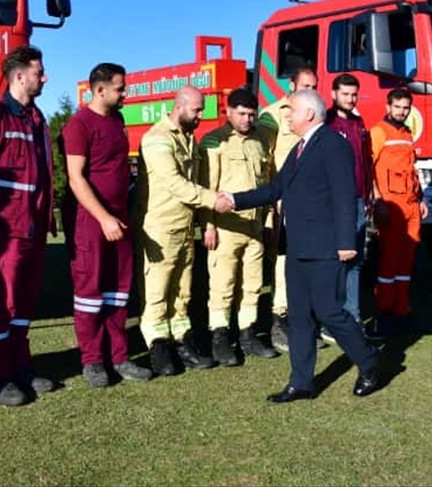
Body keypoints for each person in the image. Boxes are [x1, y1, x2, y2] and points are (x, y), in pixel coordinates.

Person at [222, 89, 381, 402]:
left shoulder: (333, 144)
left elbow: (344, 193)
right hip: (297, 247)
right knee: (298, 318)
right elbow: (275, 189)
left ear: (309, 113)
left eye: (291, 110)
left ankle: (369, 360)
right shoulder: (300, 147)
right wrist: (234, 199)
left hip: (325, 247)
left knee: (329, 312)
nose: (286, 116)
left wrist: (346, 242)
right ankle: (302, 382)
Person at [0, 45, 57, 406]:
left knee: (24, 302)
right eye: (39, 72)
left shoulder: (37, 118)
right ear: (19, 76)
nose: (45, 78)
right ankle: (0, 376)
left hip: (33, 227)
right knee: (1, 304)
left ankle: (22, 367)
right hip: (4, 230)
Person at [61, 63, 153, 387]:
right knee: (90, 292)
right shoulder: (79, 125)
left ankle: (120, 357)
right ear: (100, 90)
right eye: (120, 88)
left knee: (118, 291)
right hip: (92, 221)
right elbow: (75, 178)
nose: (125, 93)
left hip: (120, 218)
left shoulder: (118, 120)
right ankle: (93, 361)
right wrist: (103, 218)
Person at [134, 86, 219, 375]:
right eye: (196, 110)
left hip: (183, 228)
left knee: (182, 292)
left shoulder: (188, 139)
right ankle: (158, 347)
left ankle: (182, 342)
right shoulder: (157, 138)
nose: (200, 116)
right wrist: (214, 199)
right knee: (157, 291)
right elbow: (175, 183)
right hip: (161, 228)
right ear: (179, 107)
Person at [199, 87, 279, 365]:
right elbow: (207, 188)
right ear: (229, 112)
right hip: (226, 228)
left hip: (254, 227)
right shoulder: (215, 142)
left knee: (252, 284)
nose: (247, 119)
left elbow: (266, 185)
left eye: (252, 114)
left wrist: (267, 221)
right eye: (242, 114)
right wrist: (208, 226)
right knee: (223, 284)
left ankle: (248, 335)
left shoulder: (260, 141)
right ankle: (220, 337)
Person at [257, 67, 318, 352]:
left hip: (311, 204)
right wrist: (269, 209)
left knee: (307, 264)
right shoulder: (271, 116)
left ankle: (301, 320)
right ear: (291, 84)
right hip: (283, 205)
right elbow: (263, 161)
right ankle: (278, 321)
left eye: (314, 86)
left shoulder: (315, 114)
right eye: (305, 85)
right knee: (283, 265)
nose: (310, 91)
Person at [368, 88, 427, 337]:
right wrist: (378, 200)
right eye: (398, 107)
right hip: (391, 206)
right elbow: (368, 167)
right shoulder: (379, 132)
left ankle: (402, 311)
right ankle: (383, 315)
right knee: (389, 261)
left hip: (411, 205)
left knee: (406, 261)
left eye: (406, 108)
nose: (402, 111)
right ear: (388, 106)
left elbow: (412, 170)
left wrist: (421, 198)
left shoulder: (406, 133)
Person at [323, 73, 373, 325]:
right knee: (334, 260)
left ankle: (352, 316)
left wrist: (369, 193)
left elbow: (365, 160)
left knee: (355, 260)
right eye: (345, 94)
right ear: (333, 94)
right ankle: (330, 316)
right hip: (334, 203)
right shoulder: (326, 122)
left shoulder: (358, 122)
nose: (350, 99)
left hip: (358, 200)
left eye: (354, 94)